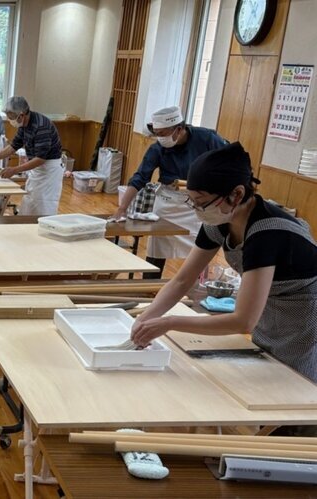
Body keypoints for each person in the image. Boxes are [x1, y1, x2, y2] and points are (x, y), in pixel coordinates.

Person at [131, 142, 317, 384]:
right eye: (192, 201)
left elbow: (243, 321)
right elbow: (182, 280)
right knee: (265, 373)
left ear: (236, 194)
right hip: (270, 304)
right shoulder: (219, 221)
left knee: (292, 386)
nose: (197, 209)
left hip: (304, 312)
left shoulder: (266, 232)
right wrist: (145, 319)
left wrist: (169, 322)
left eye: (202, 202)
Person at [112, 106, 229, 278]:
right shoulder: (157, 149)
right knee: (157, 248)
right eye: (157, 133)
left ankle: (196, 287)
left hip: (198, 203)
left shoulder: (206, 138)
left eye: (163, 133)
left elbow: (228, 158)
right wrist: (122, 208)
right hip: (168, 200)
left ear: (179, 129)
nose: (160, 138)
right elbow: (139, 177)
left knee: (200, 248)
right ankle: (149, 285)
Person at [0, 96, 64, 216]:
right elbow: (12, 147)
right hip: (37, 169)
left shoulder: (41, 126)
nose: (10, 120)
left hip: (49, 171)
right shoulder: (23, 125)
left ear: (22, 114)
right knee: (29, 205)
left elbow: (40, 159)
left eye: (11, 117)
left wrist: (14, 170)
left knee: (44, 208)